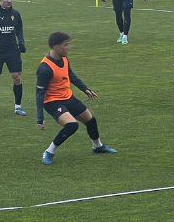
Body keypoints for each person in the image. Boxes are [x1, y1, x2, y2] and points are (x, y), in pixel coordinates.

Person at [36, 32, 117, 164]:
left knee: (90, 120)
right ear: (56, 47)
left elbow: (70, 75)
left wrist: (85, 89)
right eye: (65, 45)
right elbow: (39, 94)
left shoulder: (64, 58)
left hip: (68, 97)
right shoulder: (45, 68)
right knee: (72, 125)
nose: (68, 47)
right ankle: (49, 151)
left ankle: (98, 146)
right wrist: (40, 118)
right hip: (52, 102)